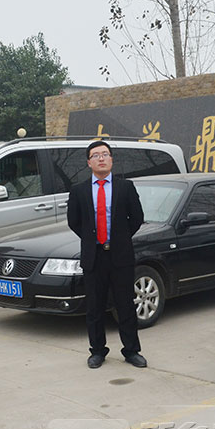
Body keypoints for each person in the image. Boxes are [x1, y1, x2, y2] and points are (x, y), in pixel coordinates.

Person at [66, 140, 147, 369]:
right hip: (94, 257)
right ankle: (97, 351)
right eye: (96, 155)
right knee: (95, 307)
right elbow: (74, 221)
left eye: (105, 154)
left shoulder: (125, 187)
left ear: (111, 159)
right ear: (88, 162)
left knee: (125, 305)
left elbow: (137, 218)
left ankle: (131, 350)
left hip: (120, 255)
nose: (101, 158)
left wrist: (119, 237)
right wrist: (92, 239)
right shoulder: (79, 190)